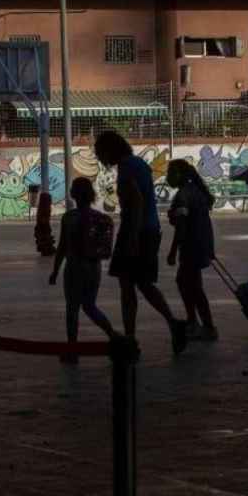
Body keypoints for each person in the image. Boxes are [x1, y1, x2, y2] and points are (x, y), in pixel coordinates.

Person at [93, 131, 189, 355]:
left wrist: (132, 238)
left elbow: (135, 201)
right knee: (144, 284)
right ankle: (174, 324)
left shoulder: (127, 168)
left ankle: (130, 339)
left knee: (127, 287)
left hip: (136, 232)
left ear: (109, 150)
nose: (99, 157)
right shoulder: (139, 164)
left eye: (100, 152)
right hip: (150, 230)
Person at [50, 178, 120, 364]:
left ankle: (72, 350)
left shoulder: (69, 217)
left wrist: (55, 271)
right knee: (90, 306)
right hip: (93, 268)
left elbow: (63, 247)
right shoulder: (99, 218)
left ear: (73, 194)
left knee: (72, 309)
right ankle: (113, 334)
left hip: (74, 268)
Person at [165, 159, 218, 341]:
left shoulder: (183, 196)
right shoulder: (196, 191)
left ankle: (204, 325)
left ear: (179, 175)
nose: (167, 177)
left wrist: (172, 252)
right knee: (188, 283)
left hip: (191, 247)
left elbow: (181, 228)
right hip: (201, 244)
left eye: (170, 173)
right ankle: (195, 322)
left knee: (192, 286)